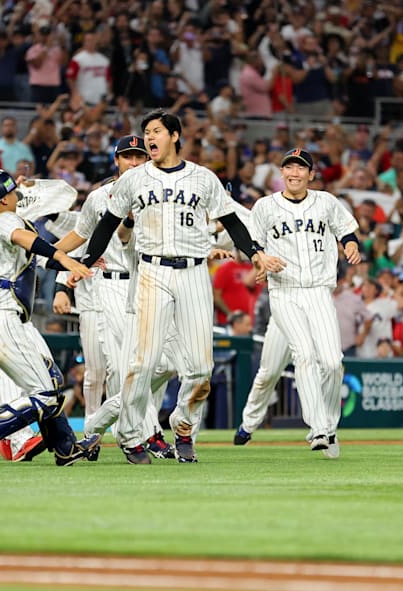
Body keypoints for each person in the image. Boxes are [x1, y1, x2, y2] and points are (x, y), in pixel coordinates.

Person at [81, 109, 285, 464]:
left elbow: (232, 221)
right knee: (141, 364)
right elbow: (106, 227)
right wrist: (81, 262)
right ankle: (130, 437)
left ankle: (183, 426)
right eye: (147, 132)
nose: (149, 138)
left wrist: (254, 252)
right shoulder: (133, 180)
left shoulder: (203, 178)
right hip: (151, 272)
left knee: (201, 369)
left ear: (174, 136)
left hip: (192, 274)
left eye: (156, 131)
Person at [0, 169, 99, 468]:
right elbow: (24, 238)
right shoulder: (6, 219)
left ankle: (65, 447)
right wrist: (65, 259)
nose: (17, 197)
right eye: (13, 193)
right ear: (4, 199)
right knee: (45, 394)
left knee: (52, 381)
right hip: (3, 321)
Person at [51, 135, 176, 459]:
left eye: (139, 157)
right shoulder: (97, 198)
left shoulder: (159, 195)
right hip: (108, 286)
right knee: (117, 371)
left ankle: (93, 428)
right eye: (127, 157)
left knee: (164, 364)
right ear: (117, 161)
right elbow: (80, 239)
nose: (134, 163)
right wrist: (59, 272)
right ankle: (147, 434)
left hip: (148, 282)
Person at [234, 148, 361, 457]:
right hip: (285, 294)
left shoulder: (326, 202)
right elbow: (251, 244)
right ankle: (305, 427)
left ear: (310, 174)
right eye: (289, 167)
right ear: (282, 173)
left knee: (332, 362)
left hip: (318, 291)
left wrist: (351, 245)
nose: (294, 172)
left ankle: (328, 427)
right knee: (292, 362)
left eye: (300, 168)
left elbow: (347, 230)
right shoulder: (265, 207)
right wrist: (262, 260)